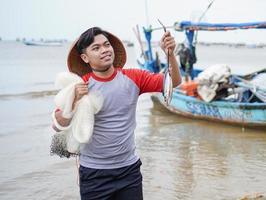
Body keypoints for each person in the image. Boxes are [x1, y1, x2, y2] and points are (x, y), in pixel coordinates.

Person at [52, 27, 181, 200]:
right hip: (94, 174)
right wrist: (73, 100)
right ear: (85, 57)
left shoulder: (134, 77)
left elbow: (173, 82)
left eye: (106, 45)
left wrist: (170, 54)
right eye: (96, 48)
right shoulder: (80, 86)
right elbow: (58, 124)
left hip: (129, 171)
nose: (104, 50)